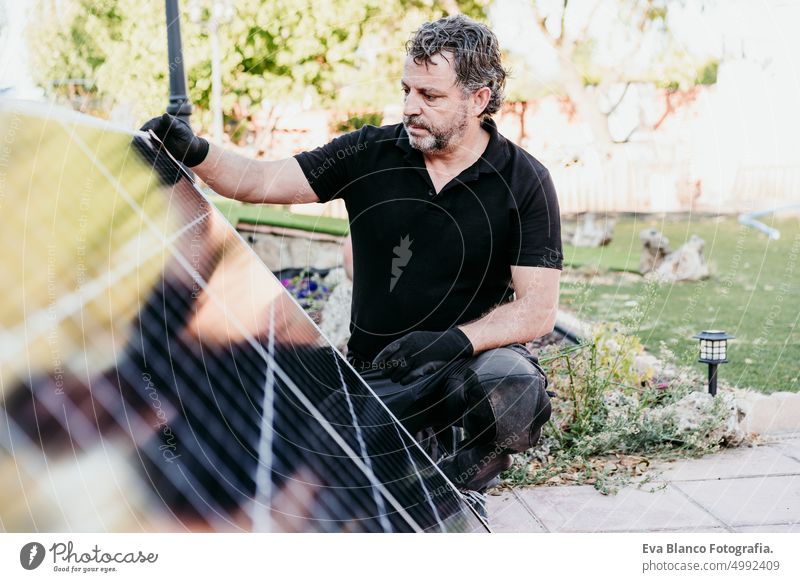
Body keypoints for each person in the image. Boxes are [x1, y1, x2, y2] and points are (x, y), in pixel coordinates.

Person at [141, 14, 562, 517]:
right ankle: (394, 477)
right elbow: (258, 181)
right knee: (271, 445)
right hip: (372, 375)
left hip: (460, 373)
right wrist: (195, 151)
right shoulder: (369, 152)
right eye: (407, 90)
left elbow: (537, 310)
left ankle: (452, 490)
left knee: (513, 388)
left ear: (478, 98)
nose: (410, 107)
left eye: (430, 96)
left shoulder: (525, 181)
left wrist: (451, 341)